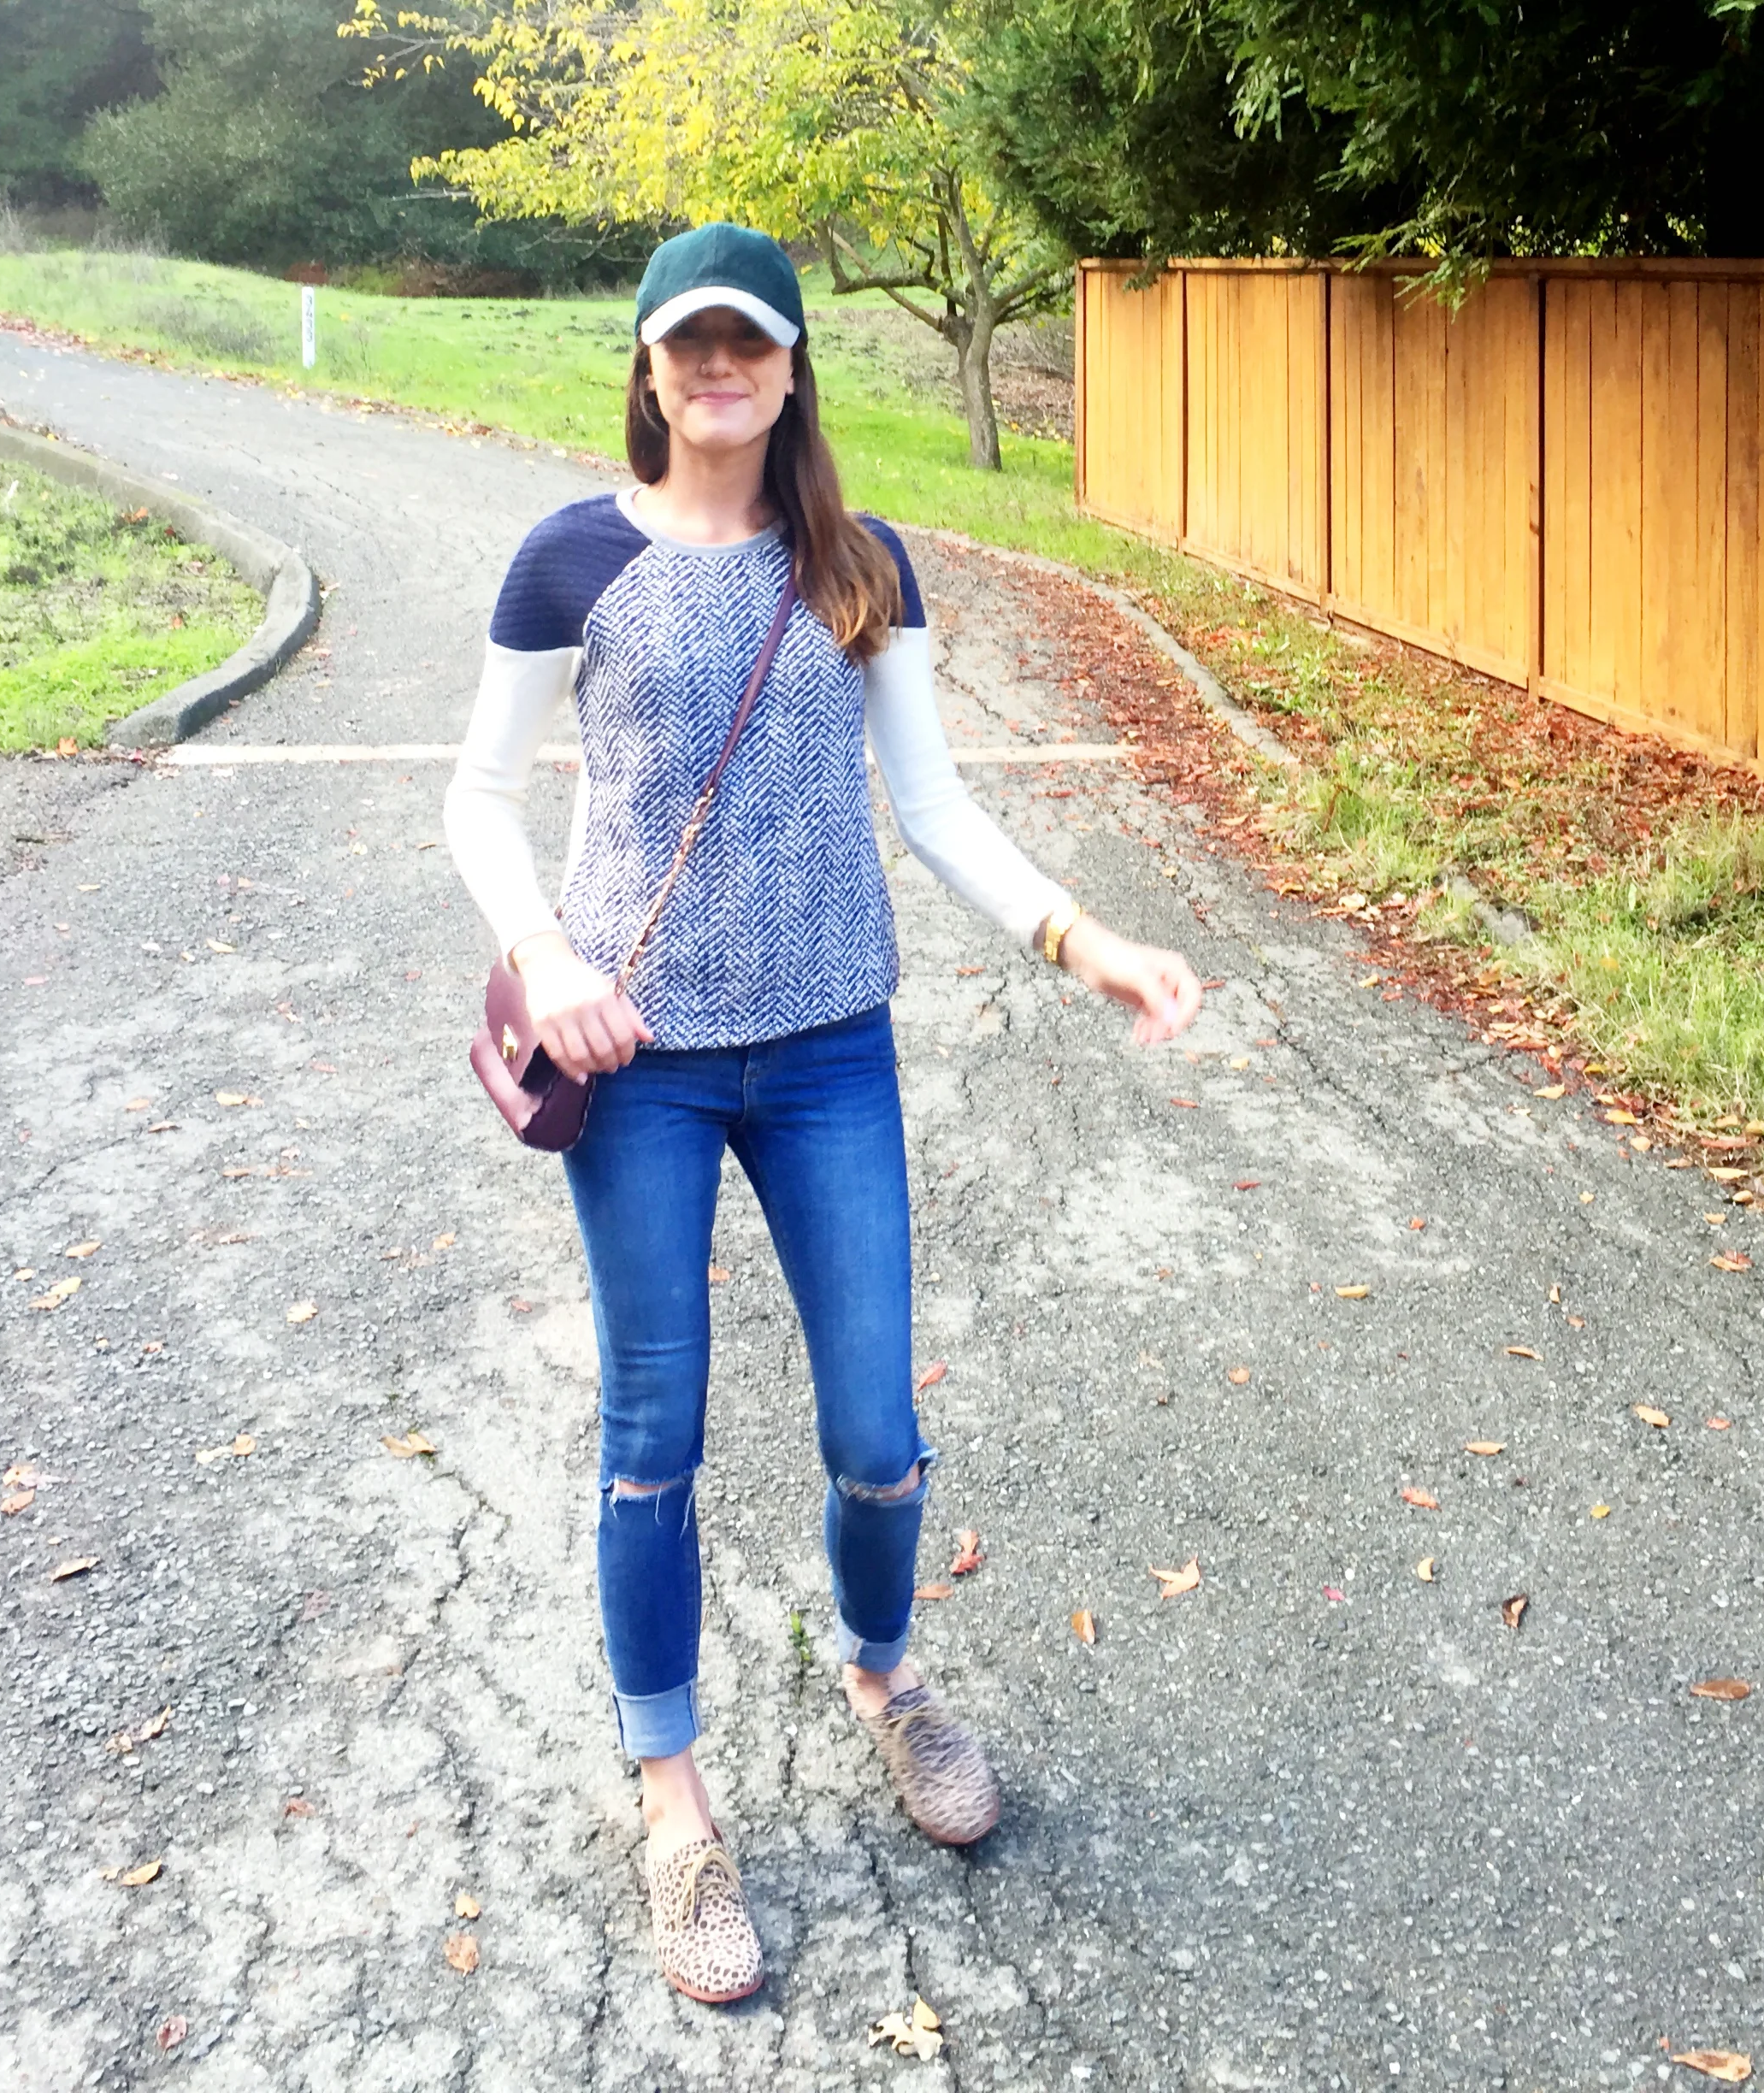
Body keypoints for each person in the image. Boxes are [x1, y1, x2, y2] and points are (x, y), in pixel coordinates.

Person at [444, 223, 1202, 2005]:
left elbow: (932, 808)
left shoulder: (861, 566)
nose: (718, 368)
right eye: (688, 344)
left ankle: (883, 1675)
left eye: (749, 344)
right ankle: (675, 1799)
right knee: (654, 1430)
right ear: (649, 368)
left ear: (791, 370)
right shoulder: (570, 560)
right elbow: (478, 797)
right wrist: (545, 953)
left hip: (828, 1056)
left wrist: (1086, 939)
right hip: (637, 1061)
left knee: (875, 1429)